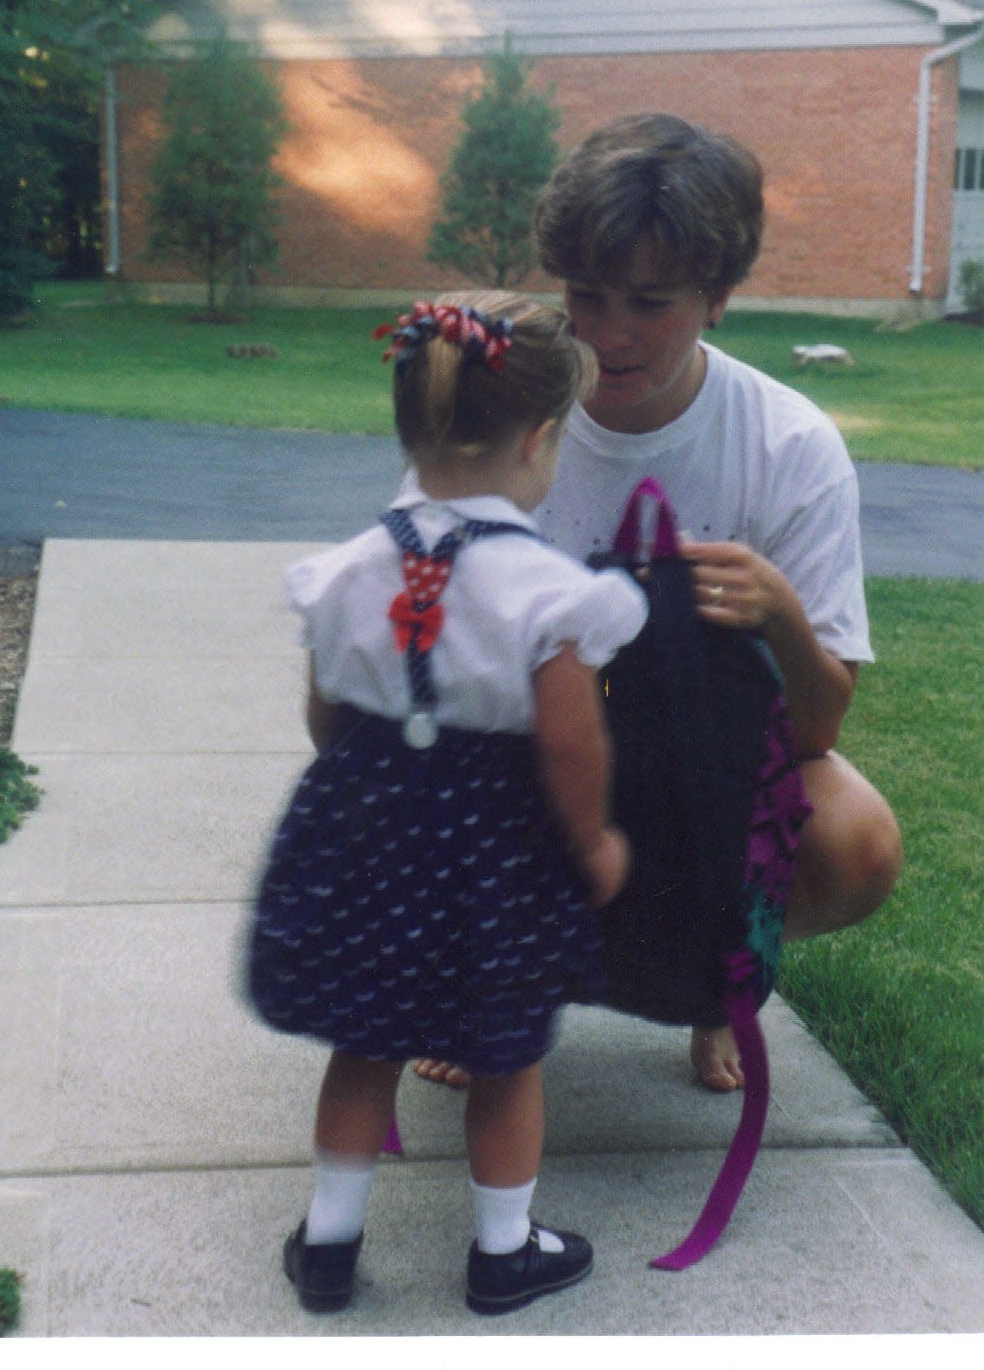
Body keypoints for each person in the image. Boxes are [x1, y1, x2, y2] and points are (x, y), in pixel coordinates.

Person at [414, 112, 903, 1097]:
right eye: (584, 294)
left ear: (719, 296)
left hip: (700, 771)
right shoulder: (503, 417)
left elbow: (815, 728)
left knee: (857, 841)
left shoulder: (788, 446)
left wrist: (778, 614)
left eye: (650, 301)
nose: (608, 332)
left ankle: (715, 978)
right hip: (533, 753)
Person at [247, 293, 647, 1315]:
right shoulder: (544, 589)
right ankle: (502, 1252)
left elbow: (324, 712)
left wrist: (368, 788)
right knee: (506, 1058)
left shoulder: (343, 572)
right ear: (542, 438)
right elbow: (568, 738)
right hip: (496, 851)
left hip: (368, 829)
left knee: (365, 1040)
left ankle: (330, 1245)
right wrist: (594, 838)